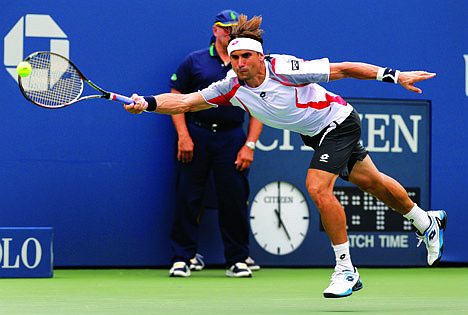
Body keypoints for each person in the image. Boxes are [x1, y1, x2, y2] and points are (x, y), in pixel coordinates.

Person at [125, 15, 446, 297]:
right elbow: (184, 102)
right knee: (373, 183)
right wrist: (148, 103)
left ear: (260, 57)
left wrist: (395, 75)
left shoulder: (286, 69)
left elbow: (346, 69)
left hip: (339, 121)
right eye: (235, 57)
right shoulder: (230, 87)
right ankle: (426, 222)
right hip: (315, 134)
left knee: (318, 187)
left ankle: (346, 270)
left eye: (246, 56)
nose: (240, 63)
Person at [167, 10, 263, 278]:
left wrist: (250, 144)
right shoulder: (194, 61)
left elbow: (259, 107)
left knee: (234, 198)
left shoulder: (245, 64)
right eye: (224, 28)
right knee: (188, 196)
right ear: (215, 29)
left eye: (233, 28)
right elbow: (177, 99)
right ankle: (182, 258)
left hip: (232, 136)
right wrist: (183, 136)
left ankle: (237, 259)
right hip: (197, 134)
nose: (228, 32)